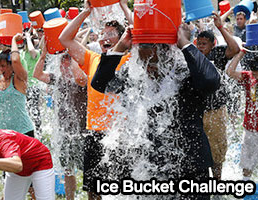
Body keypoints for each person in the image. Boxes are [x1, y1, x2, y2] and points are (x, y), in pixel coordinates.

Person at [91, 21, 220, 200]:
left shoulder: (185, 73)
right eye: (144, 61)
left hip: (191, 169)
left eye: (153, 61)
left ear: (167, 54)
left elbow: (210, 81)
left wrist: (184, 42)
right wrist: (120, 45)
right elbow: (100, 84)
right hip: (151, 169)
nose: (148, 67)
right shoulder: (136, 78)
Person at [58, 2, 127, 199]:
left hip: (119, 134)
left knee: (120, 188)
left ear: (122, 38)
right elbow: (64, 38)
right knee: (93, 188)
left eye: (111, 33)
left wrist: (123, 6)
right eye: (103, 33)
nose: (105, 37)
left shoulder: (130, 58)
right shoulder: (93, 58)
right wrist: (86, 12)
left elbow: (139, 36)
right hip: (94, 131)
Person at [33, 39, 87, 200]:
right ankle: (70, 198)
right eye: (62, 63)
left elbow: (80, 77)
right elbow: (37, 75)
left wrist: (72, 50)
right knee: (68, 171)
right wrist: (43, 53)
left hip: (82, 132)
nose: (64, 66)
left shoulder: (81, 80)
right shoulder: (57, 79)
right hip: (65, 132)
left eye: (67, 63)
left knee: (87, 171)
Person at [195, 13, 240, 180]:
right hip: (198, 111)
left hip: (216, 111)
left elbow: (235, 49)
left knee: (217, 150)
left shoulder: (218, 54)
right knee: (199, 149)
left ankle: (217, 182)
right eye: (198, 44)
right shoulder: (193, 56)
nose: (200, 47)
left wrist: (220, 27)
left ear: (212, 45)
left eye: (204, 44)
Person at [226, 49, 258, 181]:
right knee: (247, 163)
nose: (256, 77)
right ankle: (246, 184)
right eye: (255, 74)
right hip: (250, 128)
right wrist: (241, 53)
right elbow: (230, 72)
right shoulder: (248, 77)